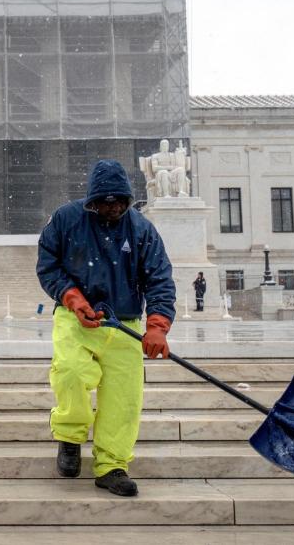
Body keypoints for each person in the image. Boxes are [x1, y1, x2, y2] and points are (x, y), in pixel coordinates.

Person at [37, 159, 176, 497]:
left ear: (127, 199)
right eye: (104, 202)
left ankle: (112, 465)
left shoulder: (142, 229)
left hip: (124, 324)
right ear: (92, 200)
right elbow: (48, 264)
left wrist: (157, 326)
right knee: (71, 372)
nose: (112, 208)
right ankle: (70, 436)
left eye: (118, 202)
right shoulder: (66, 219)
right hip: (75, 318)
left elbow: (159, 279)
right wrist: (72, 297)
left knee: (123, 399)